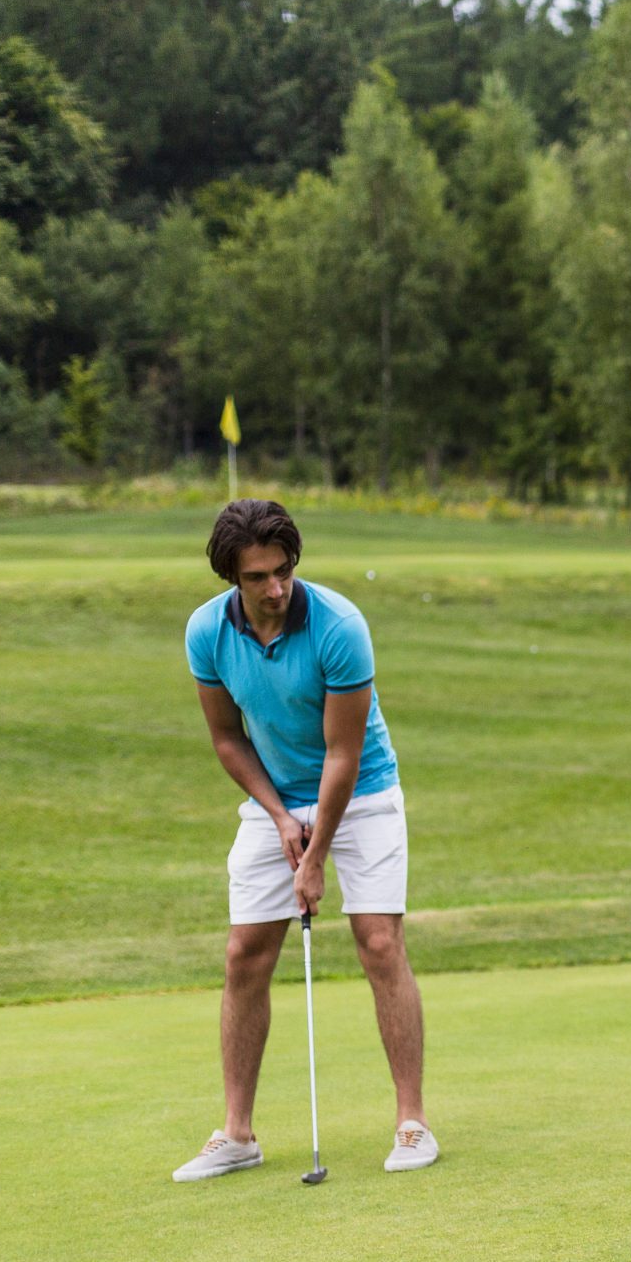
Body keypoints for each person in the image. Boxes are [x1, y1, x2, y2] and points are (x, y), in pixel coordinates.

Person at [171, 499, 438, 1181]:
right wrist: (283, 819)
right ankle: (237, 1133)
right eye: (258, 576)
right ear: (232, 576)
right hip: (274, 796)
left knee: (379, 939)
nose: (275, 588)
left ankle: (411, 1123)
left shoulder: (339, 625)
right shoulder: (207, 632)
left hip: (363, 791)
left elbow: (344, 754)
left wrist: (315, 855)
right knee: (244, 952)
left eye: (283, 571)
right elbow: (227, 738)